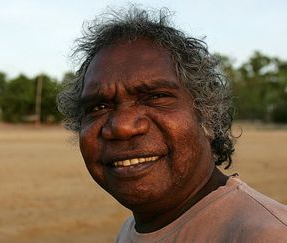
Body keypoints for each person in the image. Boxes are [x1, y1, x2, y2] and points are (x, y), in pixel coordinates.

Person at [57, 6, 287, 242]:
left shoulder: (268, 234)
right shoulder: (132, 230)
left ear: (207, 113)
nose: (122, 126)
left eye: (156, 97)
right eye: (98, 107)